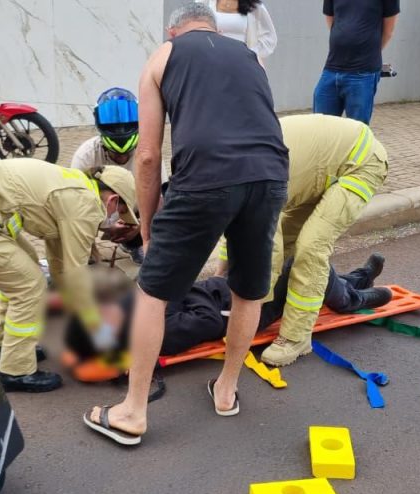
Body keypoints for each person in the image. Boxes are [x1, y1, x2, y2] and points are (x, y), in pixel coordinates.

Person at [82, 2, 289, 446]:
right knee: (248, 288)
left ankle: (132, 412)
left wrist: (150, 224)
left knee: (152, 293)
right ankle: (227, 391)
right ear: (213, 28)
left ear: (173, 31)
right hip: (270, 176)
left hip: (206, 179)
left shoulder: (164, 55)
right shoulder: (250, 57)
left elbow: (148, 155)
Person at [0, 158, 139, 393]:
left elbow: (60, 266)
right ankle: (16, 371)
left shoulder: (76, 188)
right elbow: (77, 279)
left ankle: (4, 347)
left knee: (22, 272)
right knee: (29, 286)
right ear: (114, 200)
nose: (117, 219)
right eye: (121, 213)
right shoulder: (84, 205)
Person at [65, 254, 391, 364]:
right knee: (302, 260)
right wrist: (173, 294)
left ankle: (353, 280)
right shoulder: (154, 334)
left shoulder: (129, 308)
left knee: (296, 256)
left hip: (228, 287)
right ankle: (352, 298)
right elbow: (206, 322)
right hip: (245, 309)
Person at [257, 114, 389, 366]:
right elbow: (233, 232)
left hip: (360, 162)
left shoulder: (251, 178)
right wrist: (223, 272)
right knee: (290, 244)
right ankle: (361, 278)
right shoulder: (230, 170)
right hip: (324, 167)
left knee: (310, 247)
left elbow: (267, 253)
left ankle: (297, 338)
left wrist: (249, 303)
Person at [71, 88, 160, 264]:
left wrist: (141, 227)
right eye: (116, 156)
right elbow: (73, 202)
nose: (122, 159)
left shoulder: (148, 150)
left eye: (126, 157)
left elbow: (161, 199)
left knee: (156, 208)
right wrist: (102, 225)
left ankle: (135, 244)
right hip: (97, 209)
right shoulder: (85, 154)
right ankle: (86, 249)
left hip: (134, 209)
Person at [313, 0, 399, 124]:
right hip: (331, 69)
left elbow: (388, 31)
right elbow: (333, 23)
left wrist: (370, 52)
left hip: (363, 73)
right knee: (320, 125)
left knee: (357, 130)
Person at [196, 0, 277, 64]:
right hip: (211, 61)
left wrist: (251, 53)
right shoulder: (204, 2)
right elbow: (193, 29)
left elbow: (270, 38)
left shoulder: (254, 6)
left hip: (242, 64)